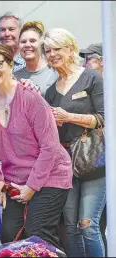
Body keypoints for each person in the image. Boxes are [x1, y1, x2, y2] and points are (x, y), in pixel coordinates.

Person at [0, 42, 72, 251]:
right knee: (9, 235)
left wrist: (32, 187)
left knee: (38, 232)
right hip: (15, 179)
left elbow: (50, 146)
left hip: (51, 175)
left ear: (10, 65)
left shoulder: (31, 99)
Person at [43, 28, 106, 257]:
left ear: (71, 49)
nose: (52, 54)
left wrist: (68, 117)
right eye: (48, 50)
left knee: (87, 225)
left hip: (93, 161)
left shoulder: (91, 78)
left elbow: (103, 118)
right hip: (64, 163)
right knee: (70, 227)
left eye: (57, 49)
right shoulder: (50, 91)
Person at [79, 42, 107, 255]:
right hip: (92, 162)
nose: (85, 63)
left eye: (91, 58)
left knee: (92, 224)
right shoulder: (87, 87)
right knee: (88, 225)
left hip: (103, 164)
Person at [14, 21, 59, 97]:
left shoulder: (55, 72)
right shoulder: (15, 76)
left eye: (32, 41)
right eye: (23, 42)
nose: (27, 45)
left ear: (42, 45)